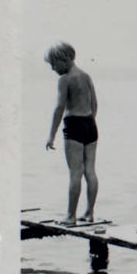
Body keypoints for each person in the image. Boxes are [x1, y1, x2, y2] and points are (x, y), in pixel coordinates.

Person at [43, 42, 100, 224]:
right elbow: (95, 104)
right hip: (90, 125)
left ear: (64, 59)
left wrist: (51, 135)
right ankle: (90, 213)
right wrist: (89, 121)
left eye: (54, 64)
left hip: (74, 125)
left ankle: (70, 216)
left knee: (75, 172)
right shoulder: (86, 76)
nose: (52, 69)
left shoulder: (65, 79)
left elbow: (59, 108)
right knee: (90, 171)